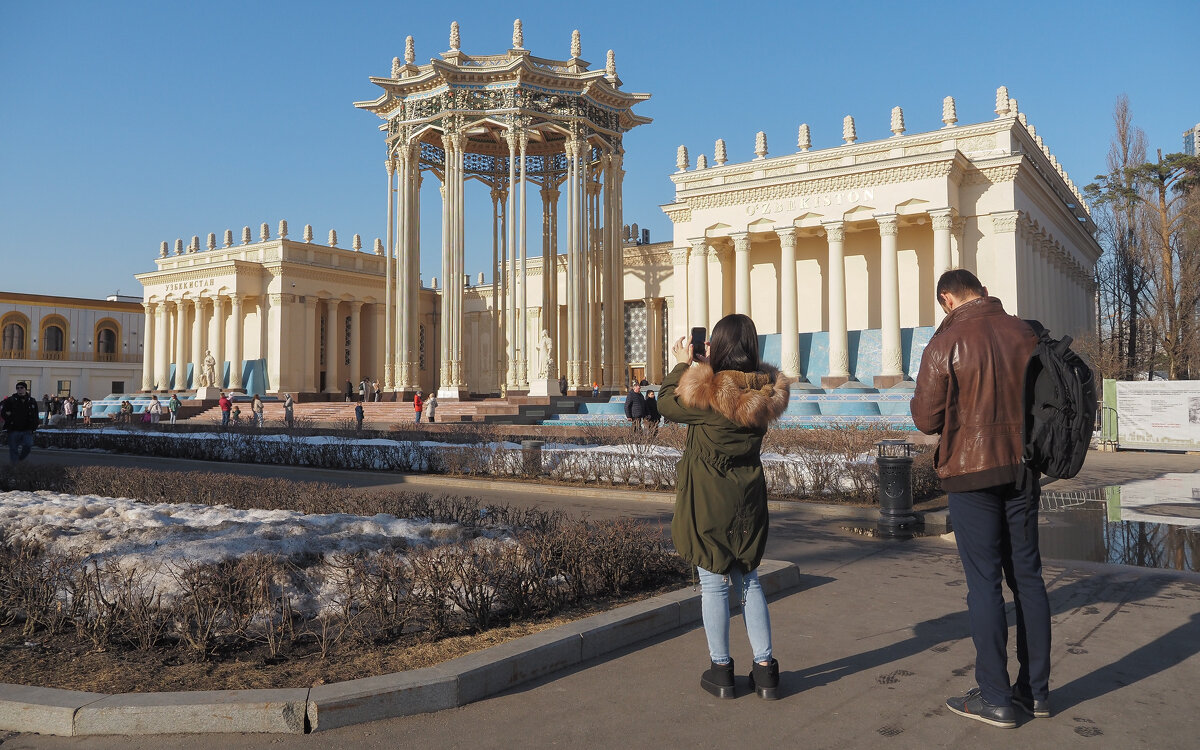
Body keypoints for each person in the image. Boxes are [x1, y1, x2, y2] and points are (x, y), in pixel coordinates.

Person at [910, 269, 1049, 729]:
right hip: (1022, 468)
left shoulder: (945, 342)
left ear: (947, 298)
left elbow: (927, 419)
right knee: (1027, 578)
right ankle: (1036, 693)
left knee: (984, 584)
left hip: (971, 475)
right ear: (983, 292)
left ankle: (994, 697)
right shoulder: (1024, 332)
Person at [656, 313, 791, 700]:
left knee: (713, 584)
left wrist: (685, 362)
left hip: (709, 500)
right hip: (748, 500)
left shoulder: (708, 394)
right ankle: (765, 671)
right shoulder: (764, 395)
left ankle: (722, 671)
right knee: (748, 579)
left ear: (721, 346)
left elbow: (666, 402)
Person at [2, 381, 40, 465]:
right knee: (13, 449)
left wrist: (34, 425)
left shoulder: (32, 401)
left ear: (25, 389)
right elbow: (4, 412)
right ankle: (15, 468)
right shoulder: (10, 400)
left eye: (21, 388)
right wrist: (9, 420)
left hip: (27, 429)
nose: (19, 389)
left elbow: (35, 414)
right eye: (17, 388)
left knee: (28, 445)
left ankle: (20, 459)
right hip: (13, 429)